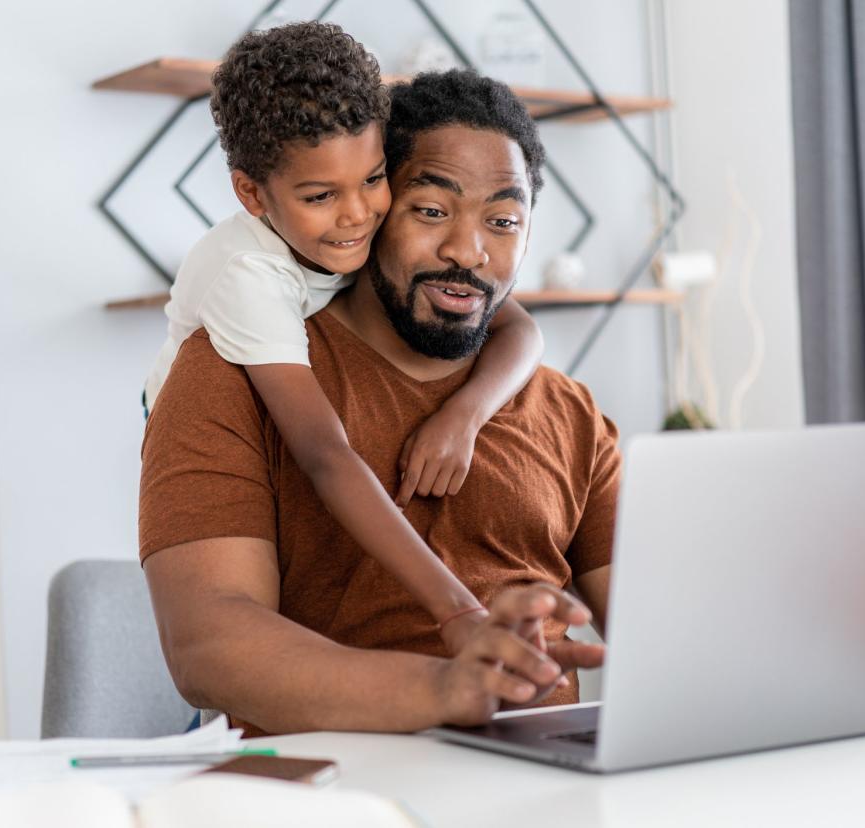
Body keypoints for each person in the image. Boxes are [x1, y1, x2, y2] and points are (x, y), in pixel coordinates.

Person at [140, 69, 619, 737]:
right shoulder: (232, 369)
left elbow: (666, 629)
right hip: (335, 792)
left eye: (504, 220)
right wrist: (448, 688)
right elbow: (207, 648)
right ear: (376, 204)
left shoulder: (565, 410)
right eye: (430, 210)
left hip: (549, 787)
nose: (467, 251)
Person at [142, 22, 545, 653]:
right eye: (322, 194)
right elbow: (326, 455)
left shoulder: (356, 239)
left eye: (374, 178)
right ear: (251, 193)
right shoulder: (249, 278)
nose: (357, 214)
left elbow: (520, 327)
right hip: (205, 436)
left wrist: (465, 415)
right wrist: (458, 611)